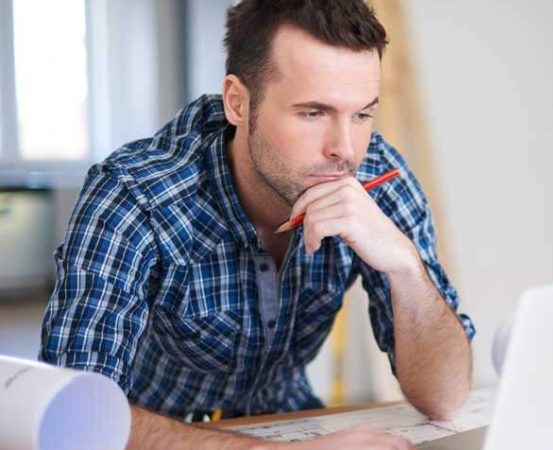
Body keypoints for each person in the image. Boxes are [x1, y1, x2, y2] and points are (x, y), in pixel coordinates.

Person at [39, 1, 474, 448]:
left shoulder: (378, 178)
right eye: (313, 113)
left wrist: (405, 266)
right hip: (154, 433)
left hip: (294, 422)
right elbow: (73, 415)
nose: (345, 150)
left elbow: (445, 398)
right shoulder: (135, 194)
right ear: (238, 102)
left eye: (362, 115)